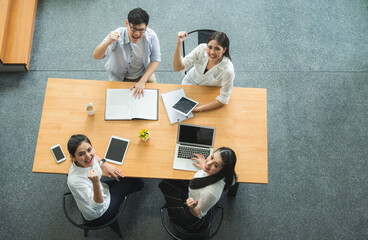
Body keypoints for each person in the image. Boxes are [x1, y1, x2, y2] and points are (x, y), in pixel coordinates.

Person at [67, 134, 144, 224]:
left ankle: (120, 194)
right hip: (100, 213)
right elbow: (98, 206)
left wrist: (104, 164)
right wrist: (95, 183)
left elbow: (94, 156)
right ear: (72, 158)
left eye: (89, 150)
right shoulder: (75, 181)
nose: (88, 156)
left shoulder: (87, 159)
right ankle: (120, 197)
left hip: (102, 188)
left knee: (130, 178)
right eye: (81, 154)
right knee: (137, 182)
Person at [159, 147, 237, 230]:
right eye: (211, 157)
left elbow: (198, 214)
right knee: (171, 180)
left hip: (192, 216)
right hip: (197, 196)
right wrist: (204, 165)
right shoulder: (224, 175)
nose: (209, 163)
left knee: (167, 185)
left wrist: (192, 207)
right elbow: (232, 179)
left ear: (222, 171)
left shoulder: (210, 193)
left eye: (215, 165)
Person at [93, 8, 161, 98]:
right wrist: (108, 42)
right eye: (133, 28)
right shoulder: (117, 34)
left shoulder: (151, 36)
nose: (137, 34)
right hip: (120, 77)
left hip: (143, 74)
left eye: (141, 30)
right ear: (127, 24)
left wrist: (142, 81)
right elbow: (96, 56)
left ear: (146, 27)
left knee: (153, 99)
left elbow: (155, 60)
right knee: (117, 104)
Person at [173, 31, 235, 112]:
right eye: (210, 47)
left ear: (224, 50)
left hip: (209, 92)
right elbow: (178, 67)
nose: (212, 52)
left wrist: (198, 109)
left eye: (217, 49)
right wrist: (179, 43)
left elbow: (223, 100)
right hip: (190, 83)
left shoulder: (228, 70)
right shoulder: (201, 49)